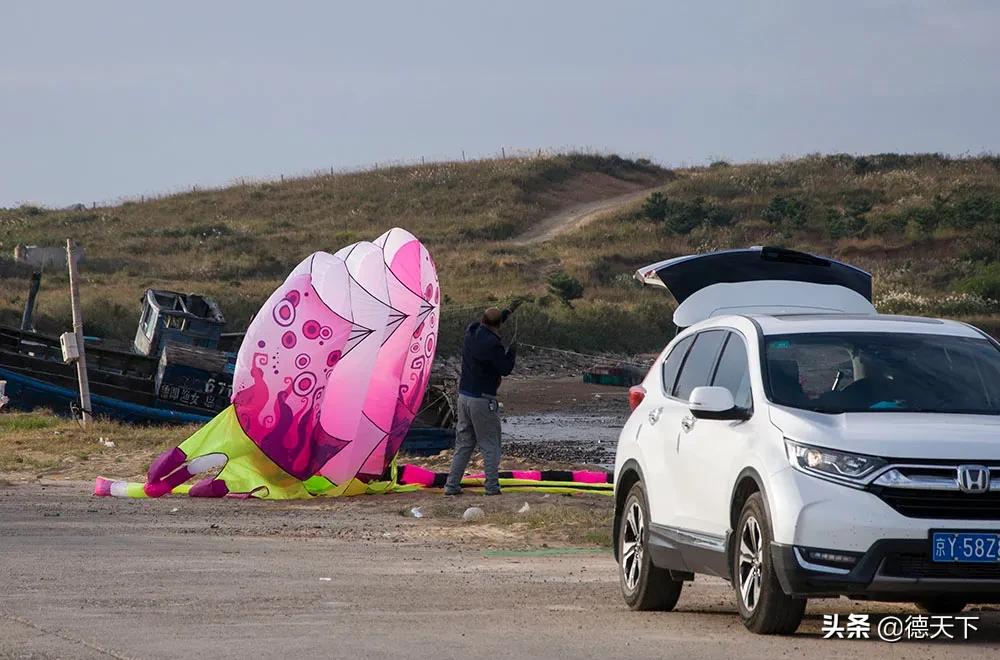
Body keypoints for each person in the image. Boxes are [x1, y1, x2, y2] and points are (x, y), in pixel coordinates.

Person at [445, 305, 517, 495]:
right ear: (498, 325)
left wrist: (507, 312)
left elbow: (491, 322)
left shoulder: (471, 331)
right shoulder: (493, 345)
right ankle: (492, 487)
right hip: (483, 400)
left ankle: (451, 485)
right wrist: (512, 351)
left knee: (464, 444)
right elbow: (505, 368)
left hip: (464, 398)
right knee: (490, 444)